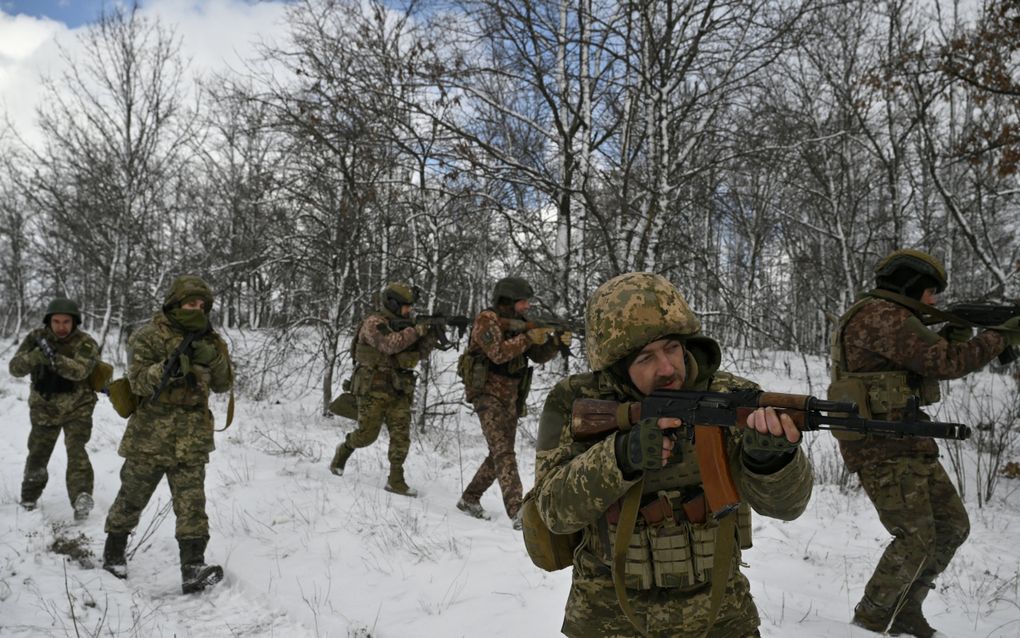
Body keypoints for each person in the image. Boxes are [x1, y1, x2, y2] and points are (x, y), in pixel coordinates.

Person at [530, 272, 813, 637]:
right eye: (646, 357)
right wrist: (619, 457)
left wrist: (771, 462)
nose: (666, 368)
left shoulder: (732, 397)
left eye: (672, 348)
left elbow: (788, 507)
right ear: (616, 364)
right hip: (608, 619)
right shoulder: (574, 402)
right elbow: (552, 510)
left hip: (721, 617)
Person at [830, 249, 1020, 637]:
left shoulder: (891, 317)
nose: (934, 301)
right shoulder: (881, 315)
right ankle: (866, 624)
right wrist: (1001, 336)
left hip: (907, 441)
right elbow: (944, 363)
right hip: (881, 445)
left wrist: (954, 333)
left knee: (951, 526)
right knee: (915, 537)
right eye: (930, 292)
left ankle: (905, 613)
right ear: (911, 285)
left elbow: (923, 361)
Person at [102, 275, 234, 594]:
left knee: (192, 505)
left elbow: (223, 384)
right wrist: (171, 368)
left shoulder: (211, 339)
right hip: (150, 436)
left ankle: (193, 567)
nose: (197, 309)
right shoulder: (148, 335)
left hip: (192, 438)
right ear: (175, 303)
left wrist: (214, 358)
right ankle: (113, 553)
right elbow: (137, 382)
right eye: (191, 303)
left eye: (203, 305)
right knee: (131, 498)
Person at [455, 276, 566, 528]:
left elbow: (537, 356)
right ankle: (518, 511)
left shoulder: (522, 323)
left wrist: (555, 342)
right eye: (522, 302)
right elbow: (497, 353)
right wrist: (528, 337)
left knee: (498, 453)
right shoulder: (487, 320)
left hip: (511, 397)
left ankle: (469, 498)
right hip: (486, 393)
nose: (527, 307)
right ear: (507, 301)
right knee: (504, 452)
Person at [329, 282, 434, 497]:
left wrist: (430, 337)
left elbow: (416, 354)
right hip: (372, 388)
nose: (409, 311)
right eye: (405, 306)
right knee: (367, 435)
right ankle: (345, 448)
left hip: (399, 388)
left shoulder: (407, 325)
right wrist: (416, 330)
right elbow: (389, 344)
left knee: (401, 436)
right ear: (393, 304)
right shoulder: (373, 322)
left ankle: (396, 480)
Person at [8, 298, 101, 520]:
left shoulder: (86, 343)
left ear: (74, 322)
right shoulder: (36, 339)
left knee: (77, 452)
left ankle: (81, 499)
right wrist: (34, 357)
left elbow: (79, 371)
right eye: (56, 321)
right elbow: (14, 368)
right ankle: (29, 497)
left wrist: (53, 359)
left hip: (78, 408)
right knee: (38, 453)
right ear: (49, 321)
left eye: (66, 322)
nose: (61, 327)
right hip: (44, 408)